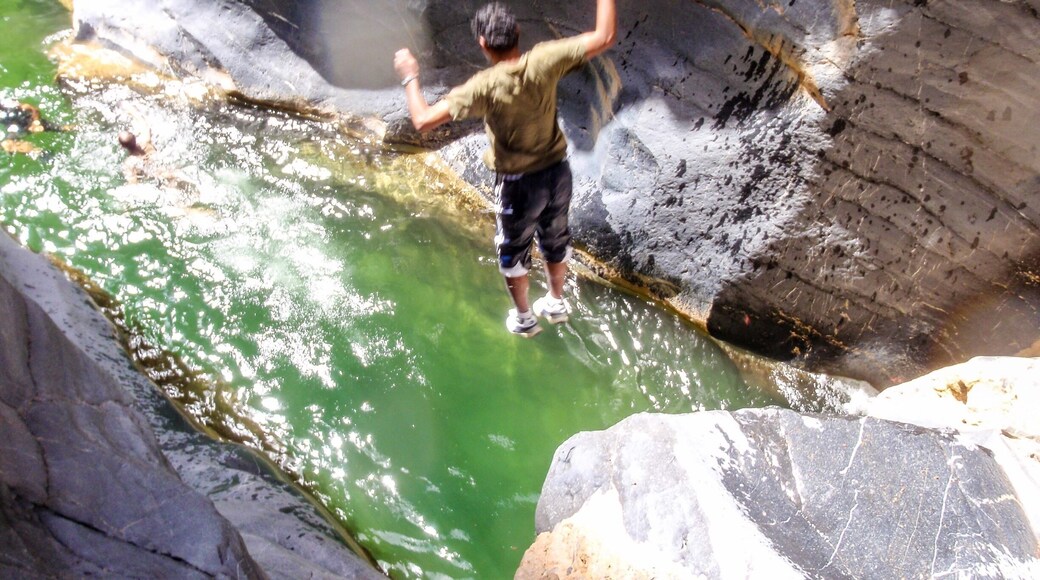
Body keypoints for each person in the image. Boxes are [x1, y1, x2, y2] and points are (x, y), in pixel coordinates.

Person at [393, 0, 616, 337]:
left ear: (482, 44)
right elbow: (605, 35)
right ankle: (556, 301)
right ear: (518, 32)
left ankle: (525, 317)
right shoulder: (545, 58)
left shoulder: (484, 86)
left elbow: (423, 121)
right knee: (555, 238)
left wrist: (410, 75)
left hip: (519, 186)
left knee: (512, 250)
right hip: (558, 173)